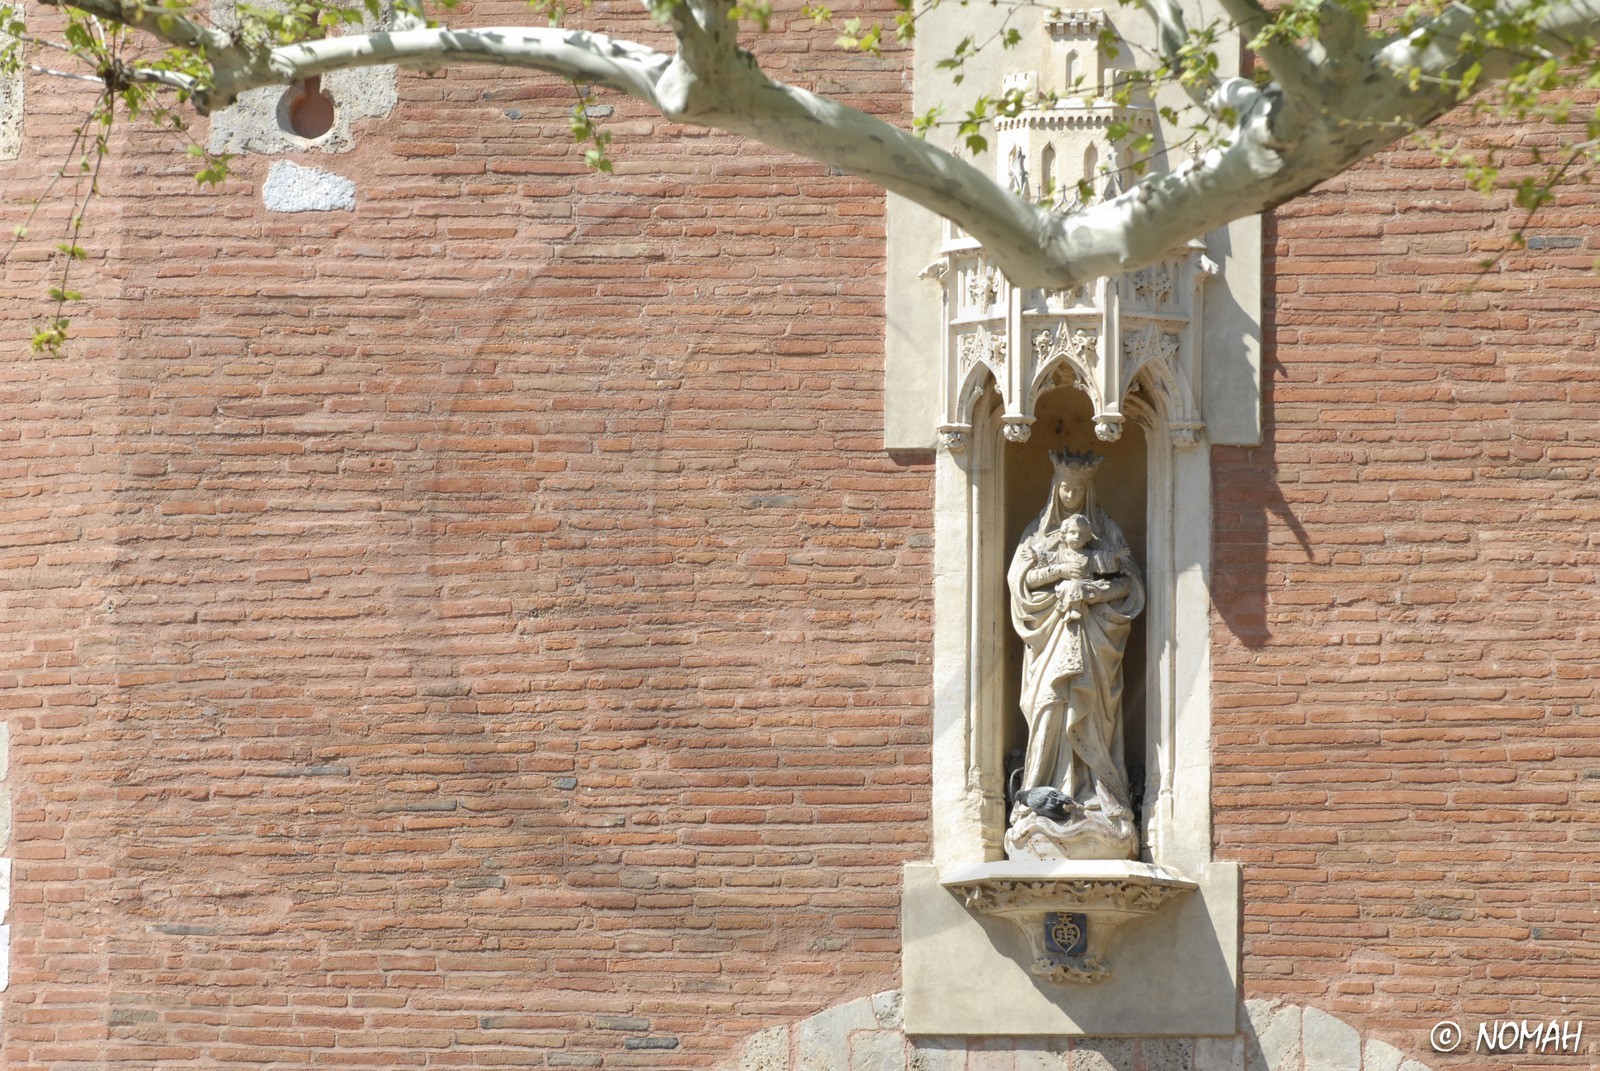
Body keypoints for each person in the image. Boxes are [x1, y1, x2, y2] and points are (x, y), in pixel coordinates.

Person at [1006, 450, 1145, 859]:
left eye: (1078, 488)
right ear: (1055, 488)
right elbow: (1020, 582)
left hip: (1094, 642)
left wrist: (1093, 592)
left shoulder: (1107, 534)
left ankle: (1100, 798)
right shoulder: (1036, 536)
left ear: (1089, 491)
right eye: (1065, 487)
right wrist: (1060, 574)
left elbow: (1130, 582)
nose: (1070, 494)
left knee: (1092, 711)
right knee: (1049, 706)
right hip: (1051, 639)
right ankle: (1036, 794)